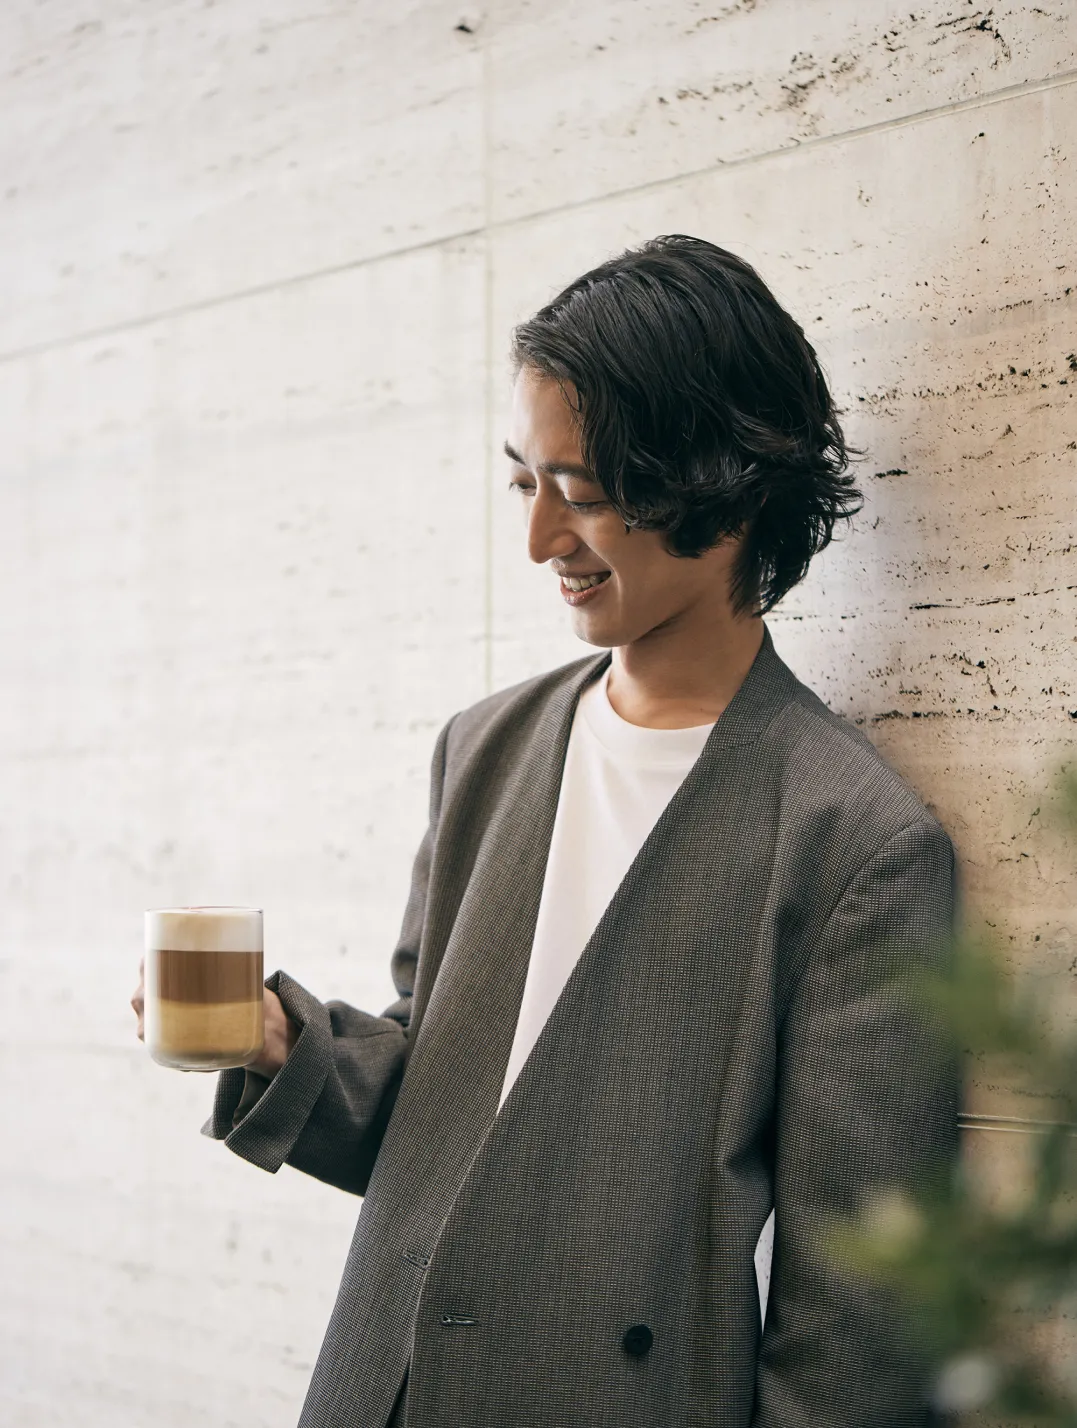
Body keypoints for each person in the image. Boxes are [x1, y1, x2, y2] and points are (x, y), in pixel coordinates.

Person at [132, 235, 959, 1427]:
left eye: (580, 492)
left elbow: (863, 1327)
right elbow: (445, 1113)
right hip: (382, 1388)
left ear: (719, 478)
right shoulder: (486, 748)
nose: (538, 541)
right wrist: (278, 1046)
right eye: (525, 482)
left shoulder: (851, 843)